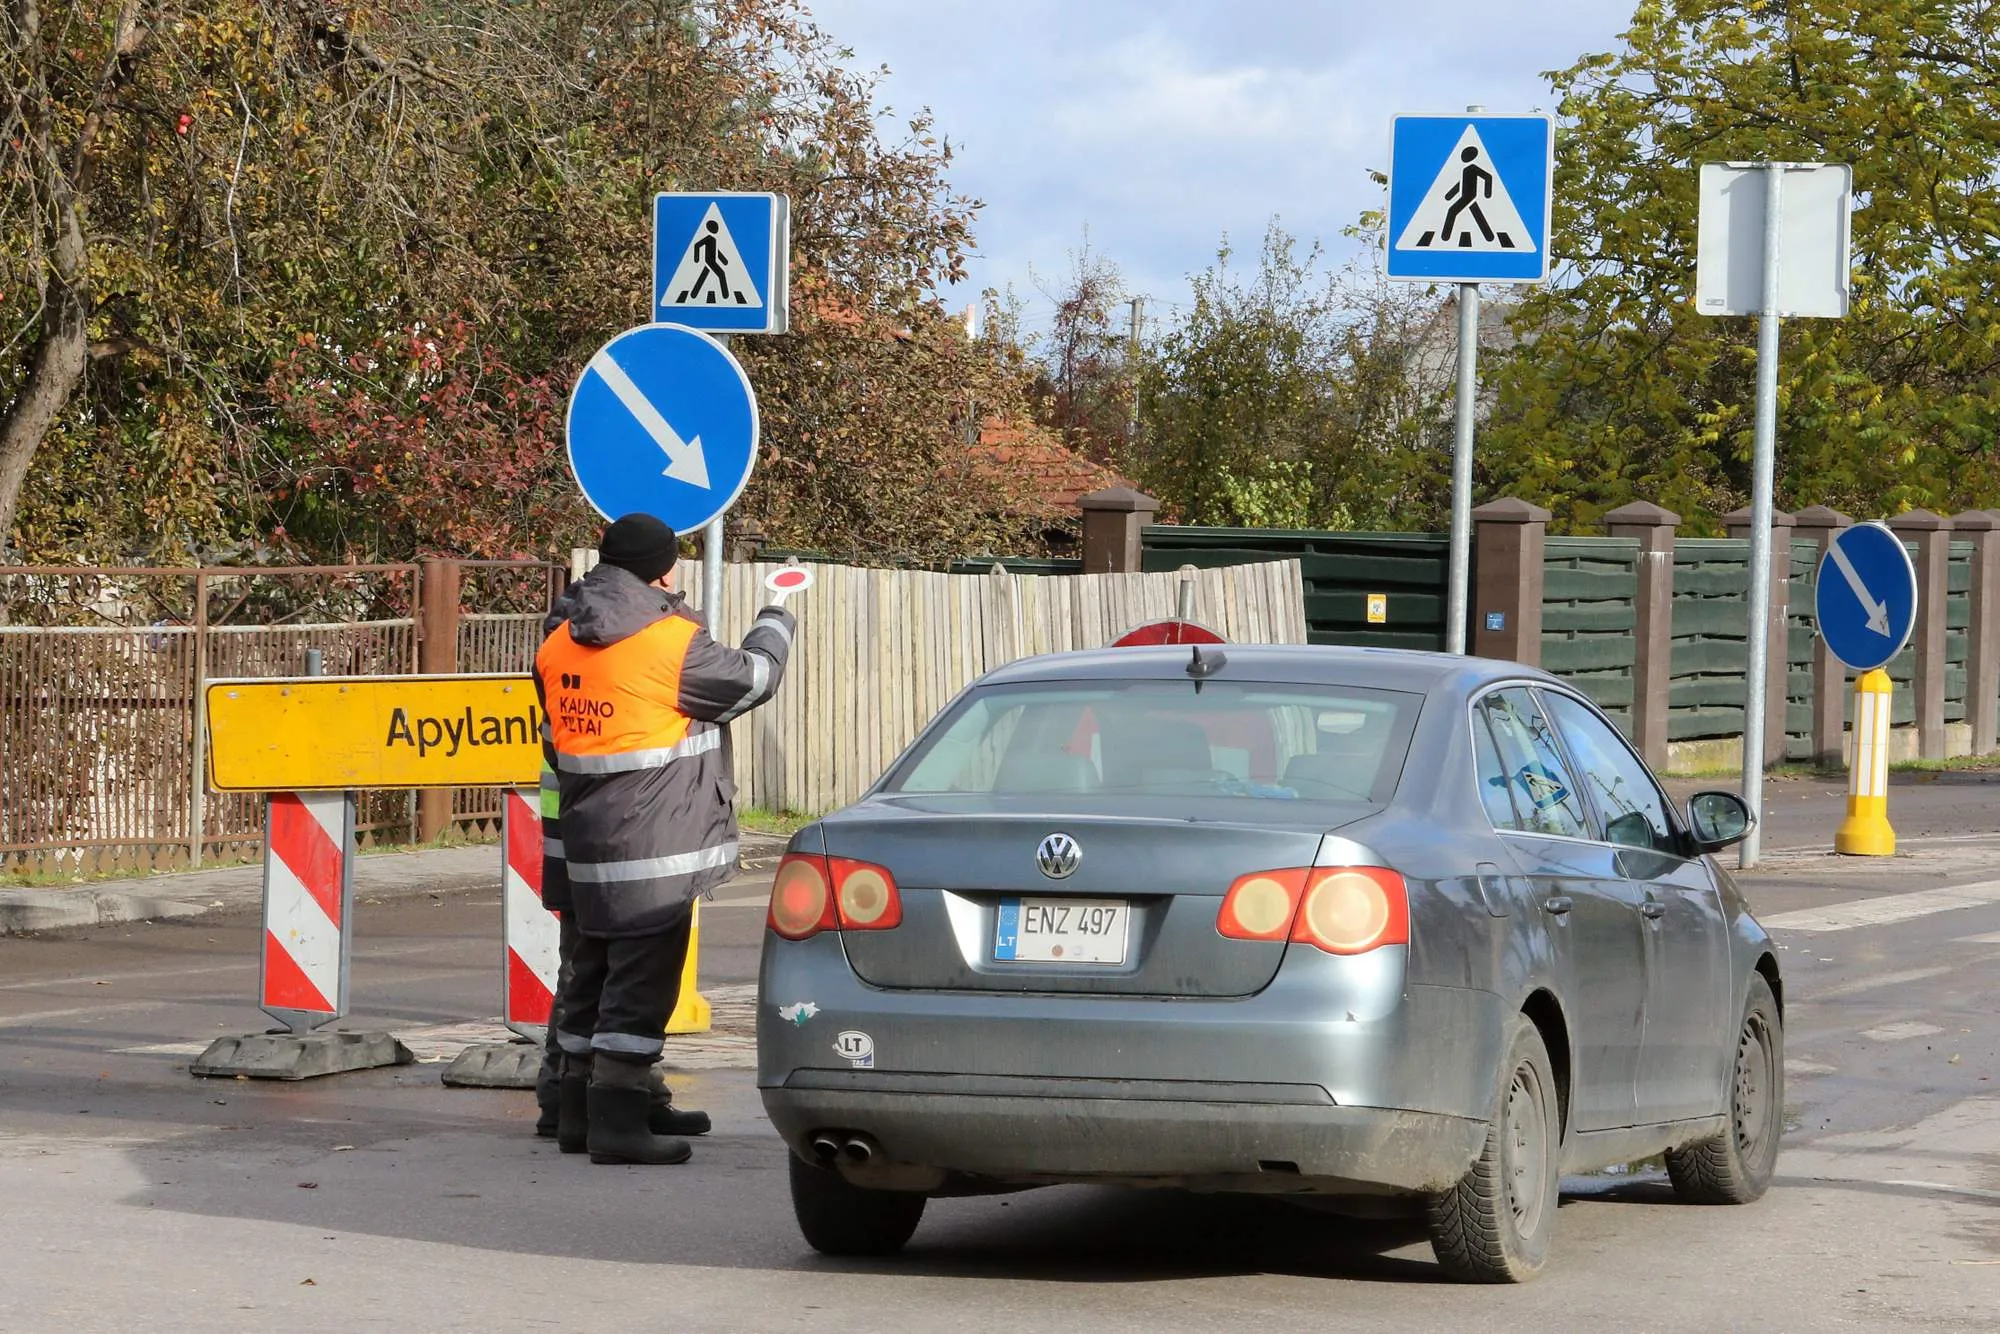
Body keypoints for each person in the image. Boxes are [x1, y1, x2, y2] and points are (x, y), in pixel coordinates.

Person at [534, 512, 794, 1164]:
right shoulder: (669, 642)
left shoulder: (557, 640)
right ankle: (619, 1125)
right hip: (655, 846)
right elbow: (754, 678)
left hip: (584, 840)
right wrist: (777, 615)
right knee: (642, 985)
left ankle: (575, 1113)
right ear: (663, 569)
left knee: (588, 974)